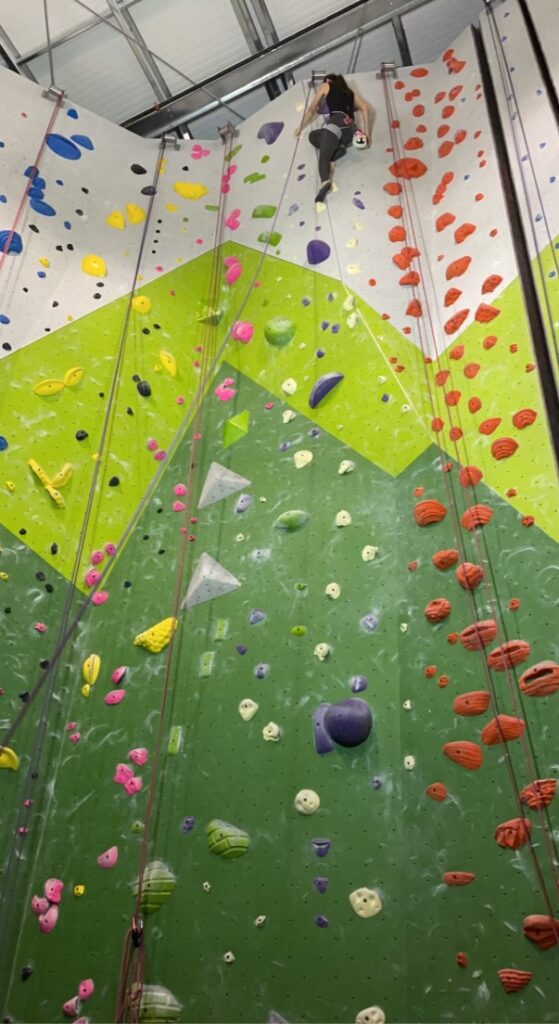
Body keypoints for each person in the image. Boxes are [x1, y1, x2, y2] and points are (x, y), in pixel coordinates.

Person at [295, 73, 373, 203]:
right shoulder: (349, 92)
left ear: (329, 80)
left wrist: (300, 127)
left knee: (324, 154)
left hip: (336, 123)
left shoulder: (327, 84)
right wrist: (367, 134)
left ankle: (325, 182)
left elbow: (311, 109)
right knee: (313, 136)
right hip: (350, 132)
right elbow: (365, 108)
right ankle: (338, 150)